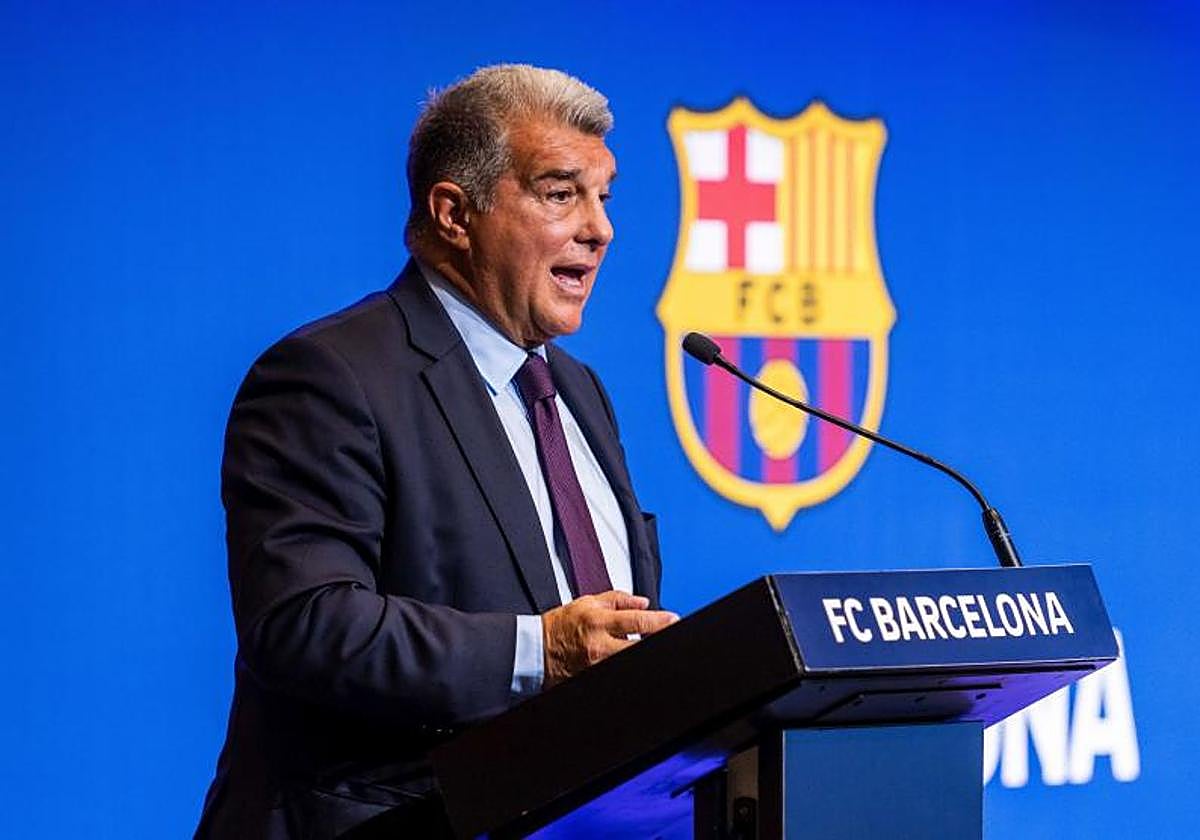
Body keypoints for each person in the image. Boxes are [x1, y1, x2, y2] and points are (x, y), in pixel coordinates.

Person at [195, 64, 677, 839]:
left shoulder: (577, 391)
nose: (600, 229)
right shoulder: (330, 376)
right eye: (561, 194)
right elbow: (303, 623)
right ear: (454, 213)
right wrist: (542, 649)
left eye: (604, 197)